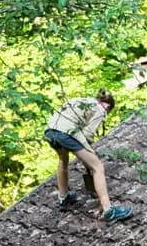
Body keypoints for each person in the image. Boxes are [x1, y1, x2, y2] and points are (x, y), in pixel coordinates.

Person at [45, 89, 133, 223]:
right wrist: (89, 155)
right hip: (66, 133)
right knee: (97, 166)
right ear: (107, 106)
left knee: (63, 159)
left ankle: (63, 197)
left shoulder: (82, 100)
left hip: (50, 131)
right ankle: (109, 210)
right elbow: (87, 134)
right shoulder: (100, 109)